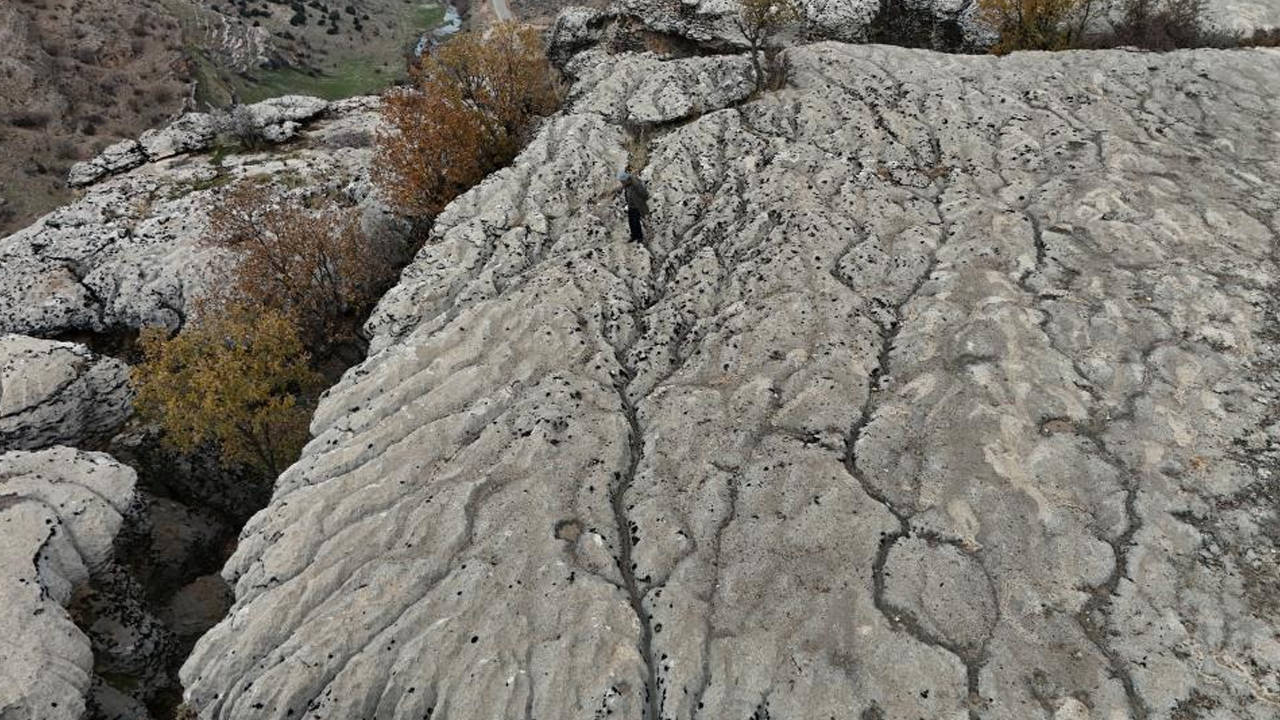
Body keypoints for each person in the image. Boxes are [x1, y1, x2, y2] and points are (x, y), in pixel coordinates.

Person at [618, 170, 649, 242]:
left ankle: (639, 237)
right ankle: (633, 235)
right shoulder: (627, 185)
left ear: (626, 180)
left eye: (623, 182)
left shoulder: (636, 184)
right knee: (631, 222)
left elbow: (644, 193)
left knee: (636, 222)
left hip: (637, 206)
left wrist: (642, 201)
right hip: (631, 206)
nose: (622, 183)